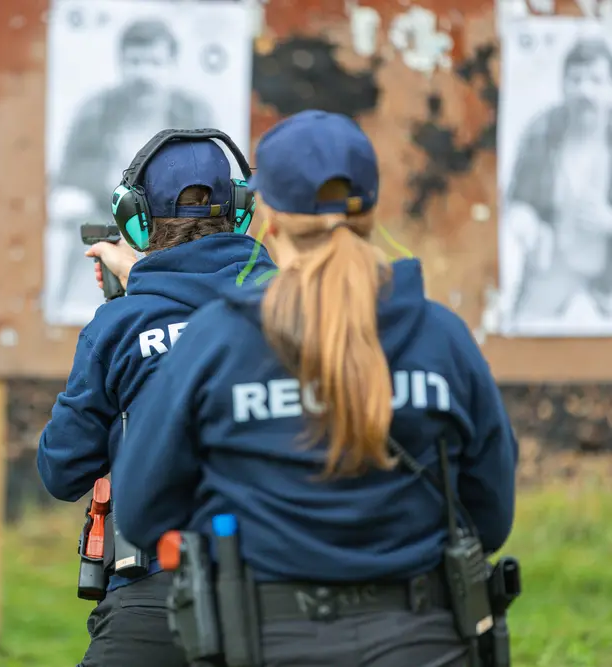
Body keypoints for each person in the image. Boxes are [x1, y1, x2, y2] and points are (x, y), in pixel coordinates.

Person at [113, 110, 519, 667]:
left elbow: (140, 512)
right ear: (372, 211)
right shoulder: (441, 336)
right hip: (426, 641)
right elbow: (490, 516)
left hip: (266, 641)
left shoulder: (217, 341)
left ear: (268, 217)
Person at [37, 132, 273, 667]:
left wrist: (138, 296)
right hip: (284, 593)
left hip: (155, 595)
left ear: (135, 219)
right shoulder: (295, 307)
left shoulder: (121, 326)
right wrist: (146, 283)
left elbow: (61, 469)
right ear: (240, 211)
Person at [48, 19, 217, 319]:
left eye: (154, 62)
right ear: (121, 63)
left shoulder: (193, 112)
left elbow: (211, 178)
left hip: (177, 230)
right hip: (108, 221)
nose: (144, 73)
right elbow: (73, 174)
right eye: (135, 62)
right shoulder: (96, 111)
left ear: (172, 64)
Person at [503, 37, 612, 328]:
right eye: (576, 80)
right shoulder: (542, 132)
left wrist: (607, 221)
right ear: (563, 85)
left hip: (608, 278)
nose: (585, 91)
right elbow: (516, 202)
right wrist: (528, 225)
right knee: (521, 335)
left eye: (596, 80)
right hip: (552, 270)